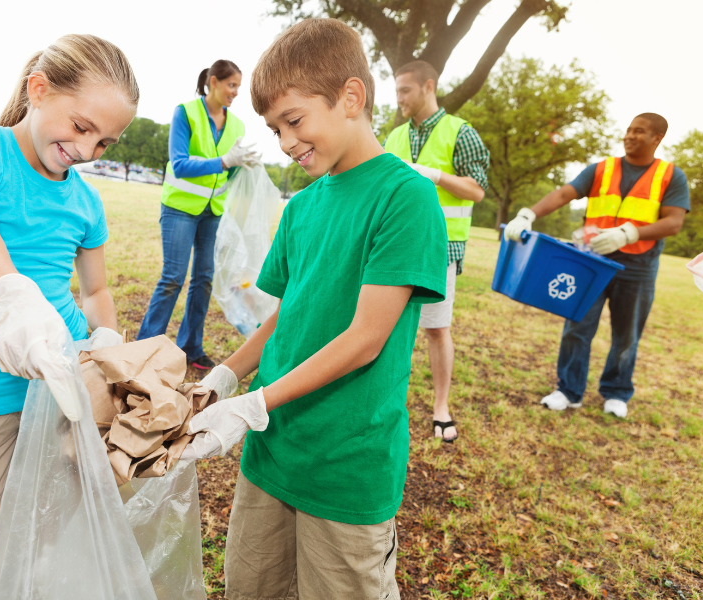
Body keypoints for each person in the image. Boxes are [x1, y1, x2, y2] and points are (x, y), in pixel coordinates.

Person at [180, 19, 448, 599]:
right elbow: (284, 318)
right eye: (275, 129)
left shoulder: (405, 196)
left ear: (351, 97)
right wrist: (226, 379)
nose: (285, 143)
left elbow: (365, 339)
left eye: (294, 121)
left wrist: (255, 403)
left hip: (345, 466)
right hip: (272, 455)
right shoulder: (301, 206)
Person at [0, 35, 138, 598]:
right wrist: (13, 302)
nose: (89, 150)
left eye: (105, 141)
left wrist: (103, 342)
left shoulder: (86, 201)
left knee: (42, 563)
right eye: (82, 127)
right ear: (39, 89)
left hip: (64, 408)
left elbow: (96, 290)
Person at [505, 113, 690, 418]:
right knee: (577, 326)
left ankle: (616, 392)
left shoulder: (671, 176)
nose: (630, 135)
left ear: (657, 138)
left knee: (626, 334)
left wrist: (629, 232)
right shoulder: (602, 168)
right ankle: (569, 390)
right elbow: (566, 193)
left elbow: (674, 222)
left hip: (639, 266)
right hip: (591, 261)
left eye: (640, 131)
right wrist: (528, 213)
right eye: (628, 129)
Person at [383, 60, 490, 442]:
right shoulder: (394, 136)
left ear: (429, 86)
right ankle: (386, 399)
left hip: (440, 249)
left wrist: (437, 176)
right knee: (387, 328)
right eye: (396, 92)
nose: (399, 100)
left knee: (436, 329)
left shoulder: (461, 133)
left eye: (405, 91)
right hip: (395, 245)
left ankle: (440, 407)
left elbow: (477, 190)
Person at [137, 60, 260, 370]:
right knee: (172, 278)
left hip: (213, 212)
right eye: (231, 85)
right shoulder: (186, 113)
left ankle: (191, 347)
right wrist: (223, 161)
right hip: (180, 207)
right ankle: (144, 348)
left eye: (238, 87)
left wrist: (241, 166)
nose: (235, 93)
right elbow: (179, 163)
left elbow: (228, 173)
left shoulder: (237, 126)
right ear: (214, 83)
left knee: (203, 280)